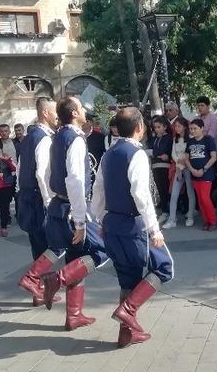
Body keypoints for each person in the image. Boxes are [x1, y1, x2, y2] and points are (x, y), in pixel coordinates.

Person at [90, 107, 173, 348]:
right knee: (165, 268)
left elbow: (99, 191)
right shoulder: (135, 154)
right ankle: (128, 310)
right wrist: (155, 229)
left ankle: (125, 334)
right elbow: (141, 194)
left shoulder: (109, 153)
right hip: (133, 224)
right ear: (140, 128)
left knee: (128, 279)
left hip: (112, 222)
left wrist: (98, 220)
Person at [40, 97, 109, 331]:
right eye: (81, 107)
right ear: (74, 113)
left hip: (60, 204)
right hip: (74, 207)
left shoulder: (57, 137)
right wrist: (80, 220)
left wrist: (53, 198)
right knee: (103, 250)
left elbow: (49, 173)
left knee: (74, 256)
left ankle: (74, 315)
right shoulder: (76, 139)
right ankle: (56, 279)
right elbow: (76, 181)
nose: (84, 110)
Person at [16, 97, 59, 307]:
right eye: (54, 112)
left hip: (26, 195)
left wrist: (19, 191)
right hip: (38, 198)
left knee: (38, 245)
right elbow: (43, 174)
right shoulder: (43, 138)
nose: (57, 116)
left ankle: (39, 290)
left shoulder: (27, 137)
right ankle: (37, 285)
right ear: (45, 113)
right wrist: (49, 201)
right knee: (49, 244)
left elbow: (20, 166)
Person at [185, 118, 217, 231]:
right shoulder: (190, 141)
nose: (193, 131)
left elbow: (213, 157)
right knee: (199, 199)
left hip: (206, 174)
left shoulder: (208, 140)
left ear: (202, 128)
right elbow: (186, 158)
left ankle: (213, 220)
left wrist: (203, 169)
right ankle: (206, 221)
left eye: (195, 128)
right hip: (194, 174)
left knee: (205, 198)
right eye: (191, 129)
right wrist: (192, 170)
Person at [166, 117, 196, 229]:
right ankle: (172, 219)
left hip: (188, 168)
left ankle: (190, 216)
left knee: (190, 192)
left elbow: (188, 155)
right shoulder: (176, 139)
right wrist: (178, 165)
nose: (176, 128)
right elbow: (174, 154)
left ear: (184, 126)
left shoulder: (191, 139)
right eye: (175, 126)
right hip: (178, 168)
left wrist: (181, 165)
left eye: (179, 126)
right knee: (174, 194)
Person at [150, 116, 173, 222]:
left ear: (165, 127)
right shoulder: (155, 138)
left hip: (164, 167)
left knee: (165, 189)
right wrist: (157, 155)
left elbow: (166, 153)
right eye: (155, 127)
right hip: (155, 166)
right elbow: (156, 152)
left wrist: (157, 154)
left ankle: (166, 212)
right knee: (160, 189)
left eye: (159, 127)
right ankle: (165, 210)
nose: (157, 129)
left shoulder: (168, 138)